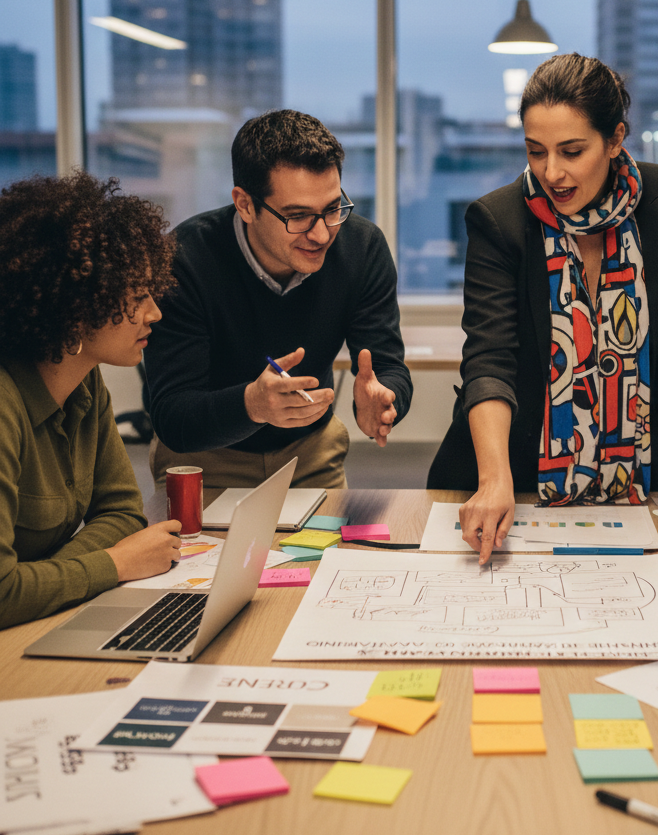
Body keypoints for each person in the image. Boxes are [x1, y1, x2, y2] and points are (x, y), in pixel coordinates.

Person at [428, 53, 658, 562]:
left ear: (615, 139)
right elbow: (490, 359)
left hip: (629, 479)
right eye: (535, 151)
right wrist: (494, 480)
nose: (552, 173)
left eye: (571, 151)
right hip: (510, 481)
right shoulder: (498, 219)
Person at [145, 110, 413, 490]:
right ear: (245, 204)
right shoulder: (186, 259)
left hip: (311, 452)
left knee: (334, 552)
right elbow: (172, 416)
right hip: (203, 459)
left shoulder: (362, 247)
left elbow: (387, 368)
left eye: (333, 208)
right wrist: (252, 404)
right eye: (299, 216)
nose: (321, 235)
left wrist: (387, 401)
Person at [0, 173, 182, 629]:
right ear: (77, 304)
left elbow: (121, 512)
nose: (154, 313)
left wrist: (51, 577)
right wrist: (115, 565)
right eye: (138, 295)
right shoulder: (5, 403)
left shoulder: (84, 380)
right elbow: (3, 594)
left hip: (38, 619)